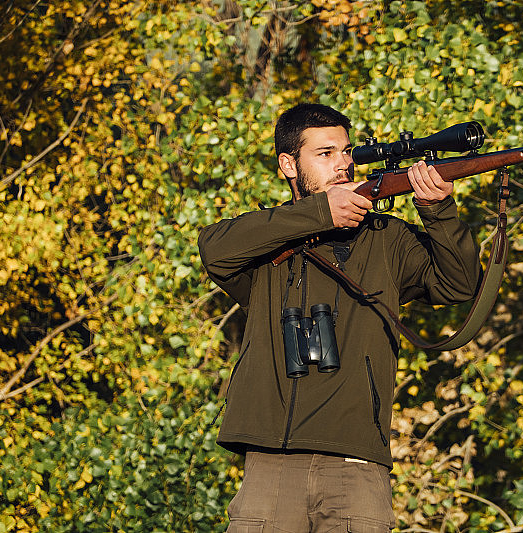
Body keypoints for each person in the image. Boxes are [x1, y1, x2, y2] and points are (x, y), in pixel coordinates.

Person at [198, 103, 481, 533]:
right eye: (325, 154)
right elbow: (214, 248)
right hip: (271, 462)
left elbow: (459, 285)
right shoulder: (264, 240)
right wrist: (317, 214)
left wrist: (438, 209)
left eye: (346, 152)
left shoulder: (387, 238)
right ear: (288, 165)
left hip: (357, 463)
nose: (343, 164)